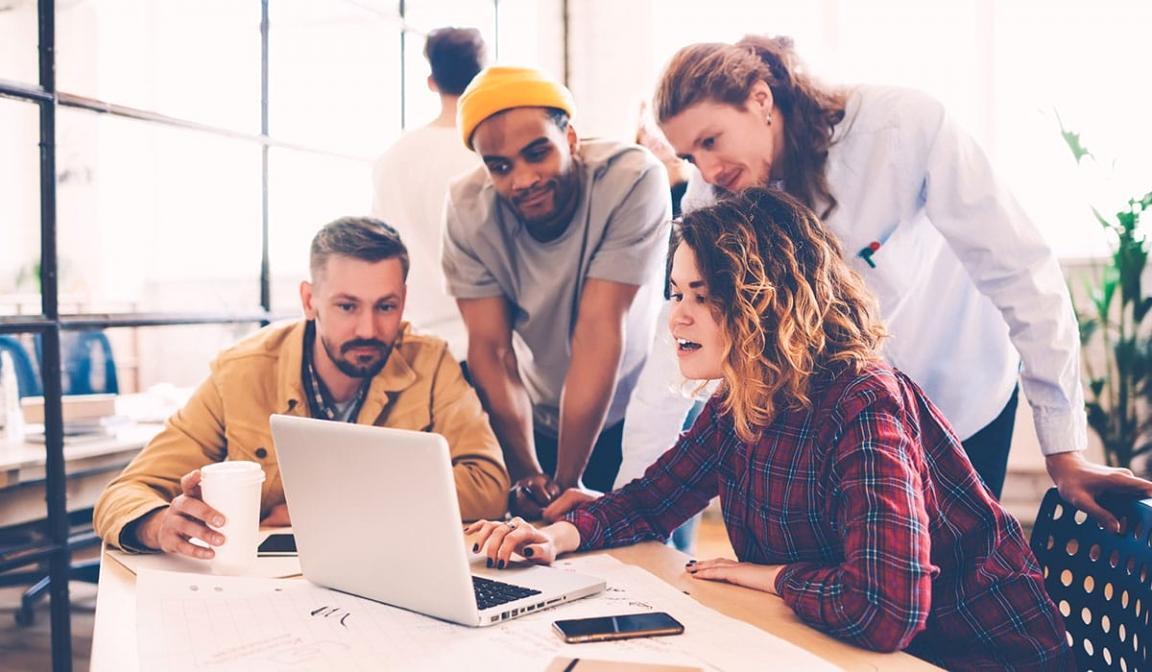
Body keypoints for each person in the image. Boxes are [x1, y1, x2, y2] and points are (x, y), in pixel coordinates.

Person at [469, 188, 1073, 671]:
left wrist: (764, 576)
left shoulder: (863, 400)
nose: (676, 315)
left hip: (973, 656)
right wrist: (555, 538)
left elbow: (887, 610)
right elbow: (654, 501)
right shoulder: (746, 395)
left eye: (702, 297)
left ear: (766, 301)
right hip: (848, 652)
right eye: (677, 292)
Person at [624, 34, 1152, 526]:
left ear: (761, 100)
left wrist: (1064, 452)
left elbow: (1021, 274)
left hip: (961, 398)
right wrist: (632, 501)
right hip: (842, 427)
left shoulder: (902, 128)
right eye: (691, 156)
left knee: (953, 587)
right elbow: (676, 339)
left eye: (712, 140)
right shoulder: (714, 195)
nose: (709, 169)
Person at [93, 217, 509, 560]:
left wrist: (328, 509)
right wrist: (157, 525)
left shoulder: (432, 363)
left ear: (403, 299)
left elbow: (488, 485)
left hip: (386, 575)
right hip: (266, 589)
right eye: (346, 306)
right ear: (310, 300)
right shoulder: (240, 373)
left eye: (386, 306)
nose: (368, 329)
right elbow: (122, 494)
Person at [442, 66, 671, 518]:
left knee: (651, 557)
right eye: (500, 166)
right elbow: (491, 348)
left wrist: (568, 482)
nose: (522, 179)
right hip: (539, 409)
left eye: (536, 153)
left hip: (634, 409)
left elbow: (598, 330)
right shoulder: (468, 209)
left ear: (570, 140)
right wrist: (528, 470)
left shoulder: (631, 179)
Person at [371, 27, 487, 361]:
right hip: (484, 345)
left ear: (431, 82)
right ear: (482, 77)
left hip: (411, 342)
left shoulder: (392, 159)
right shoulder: (493, 157)